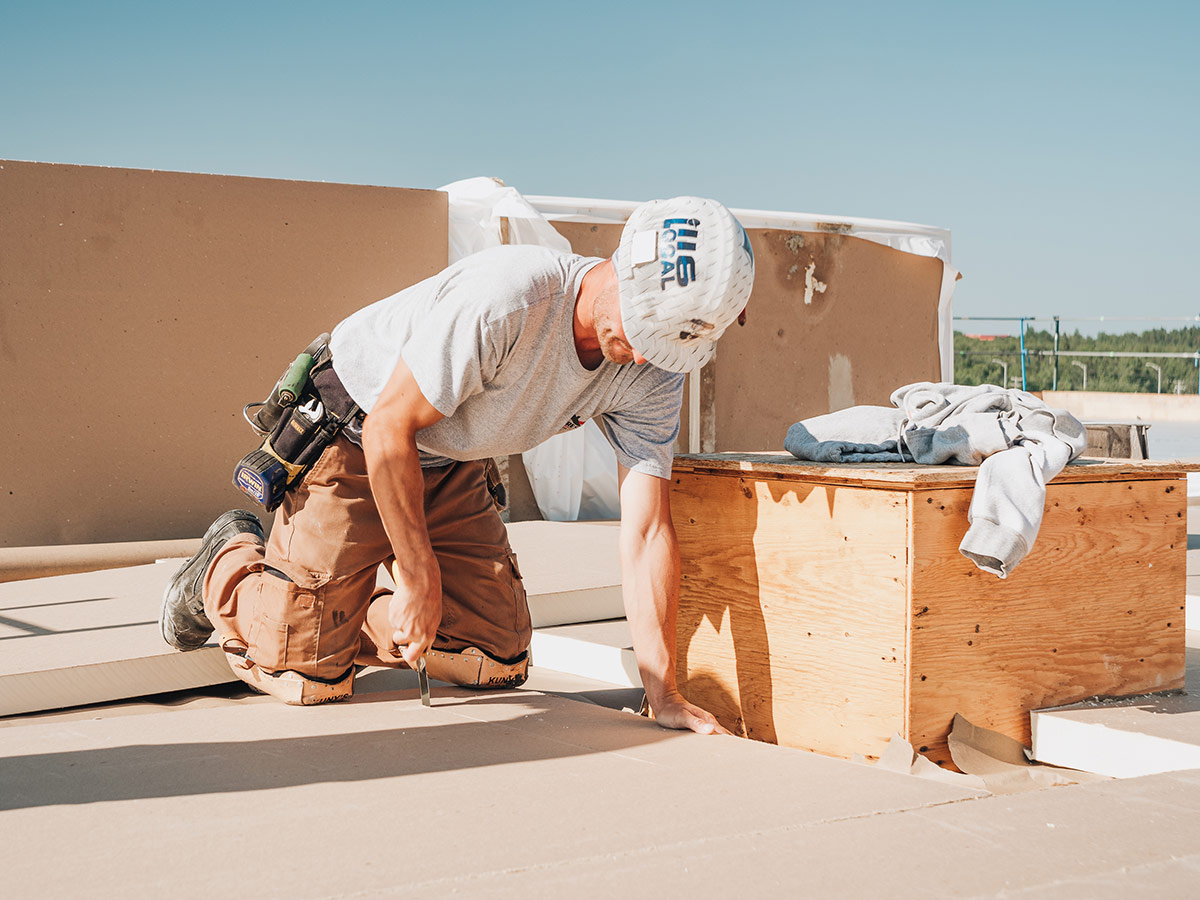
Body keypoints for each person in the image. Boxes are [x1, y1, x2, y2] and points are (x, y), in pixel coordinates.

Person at [160, 196, 755, 735]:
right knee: (305, 677)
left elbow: (647, 530)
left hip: (450, 458)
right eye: (645, 329)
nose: (648, 354)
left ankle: (344, 616)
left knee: (492, 656)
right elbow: (390, 426)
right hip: (358, 432)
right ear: (624, 264)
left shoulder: (652, 371)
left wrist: (665, 692)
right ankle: (226, 562)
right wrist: (419, 576)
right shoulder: (510, 301)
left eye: (669, 343)